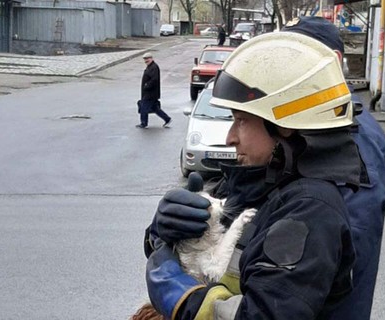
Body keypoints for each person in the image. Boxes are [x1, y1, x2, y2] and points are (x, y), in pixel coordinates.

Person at [143, 31, 364, 319]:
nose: (229, 138)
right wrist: (162, 231)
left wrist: (183, 300)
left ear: (284, 125)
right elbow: (179, 255)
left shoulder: (311, 212)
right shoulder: (250, 182)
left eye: (242, 122)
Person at [282, 16, 385, 320]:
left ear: (333, 61)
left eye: (299, 57)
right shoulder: (318, 123)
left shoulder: (353, 136)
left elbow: (349, 243)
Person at [137, 52, 172, 129]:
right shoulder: (150, 67)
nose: (146, 60)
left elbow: (154, 80)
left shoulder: (154, 67)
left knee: (144, 108)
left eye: (148, 59)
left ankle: (143, 123)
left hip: (150, 93)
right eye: (145, 59)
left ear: (151, 58)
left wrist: (146, 86)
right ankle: (167, 119)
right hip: (150, 93)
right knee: (155, 108)